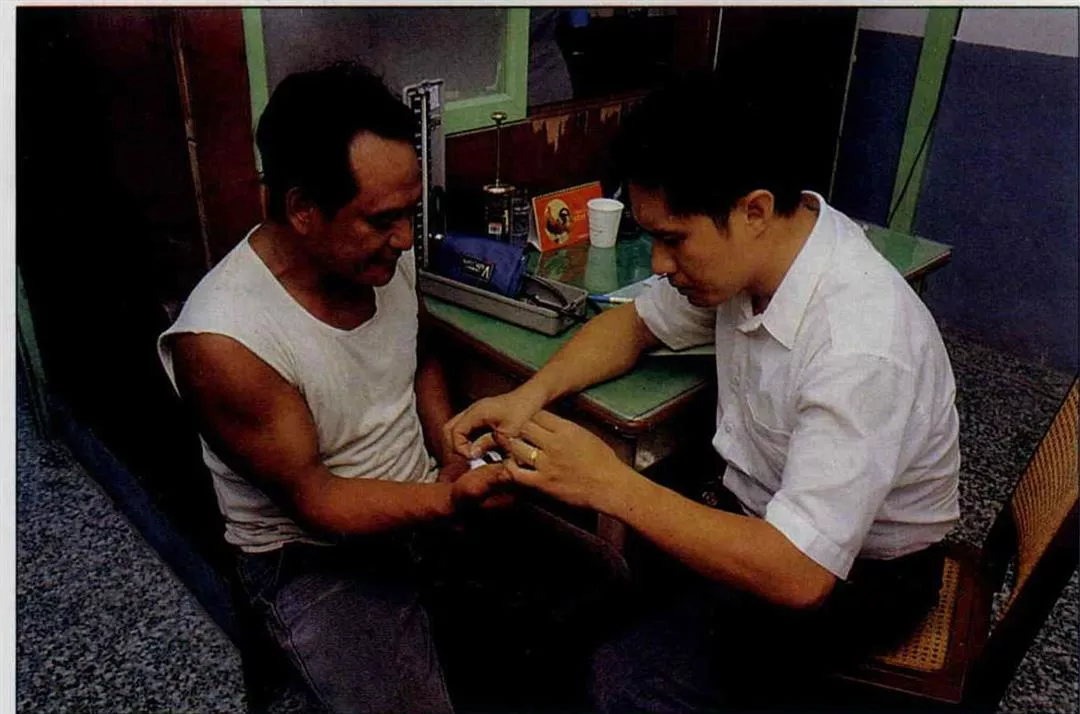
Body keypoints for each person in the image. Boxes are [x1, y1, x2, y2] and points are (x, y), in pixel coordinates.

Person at [447, 72, 961, 712]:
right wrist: (530, 395)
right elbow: (634, 325)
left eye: (672, 239)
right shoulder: (767, 253)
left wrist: (610, 484)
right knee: (571, 597)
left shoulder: (860, 343)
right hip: (756, 514)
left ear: (754, 211)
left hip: (860, 577)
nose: (659, 265)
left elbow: (798, 574)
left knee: (621, 682)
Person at [157, 62, 625, 714]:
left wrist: (447, 444)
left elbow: (420, 349)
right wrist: (446, 499)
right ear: (302, 209)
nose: (405, 240)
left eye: (410, 213)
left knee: (602, 580)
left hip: (425, 494)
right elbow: (317, 499)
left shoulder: (377, 260)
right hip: (314, 556)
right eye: (382, 220)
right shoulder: (225, 342)